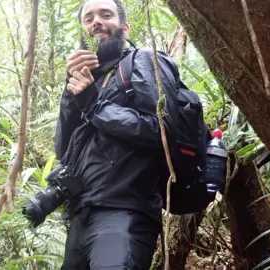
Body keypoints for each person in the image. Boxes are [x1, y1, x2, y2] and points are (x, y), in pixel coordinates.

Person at [54, 0, 180, 269]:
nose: (96, 21)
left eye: (105, 14)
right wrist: (70, 94)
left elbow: (162, 131)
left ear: (125, 27)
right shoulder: (89, 81)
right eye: (88, 18)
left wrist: (93, 104)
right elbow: (63, 151)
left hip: (124, 213)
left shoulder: (143, 60)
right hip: (81, 215)